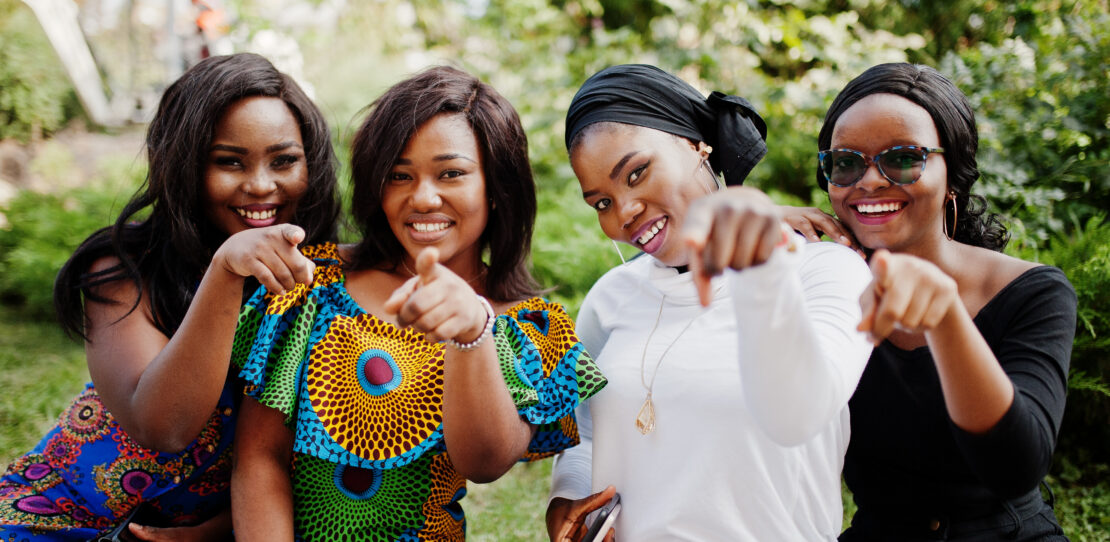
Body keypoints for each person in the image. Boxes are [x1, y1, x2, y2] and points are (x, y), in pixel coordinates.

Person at [230, 65, 605, 541]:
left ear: (497, 188)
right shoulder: (313, 285)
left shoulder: (527, 326)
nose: (423, 197)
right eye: (399, 175)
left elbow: (487, 463)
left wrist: (473, 333)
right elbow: (259, 459)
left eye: (451, 173)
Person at [0, 52, 340, 541]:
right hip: (55, 516)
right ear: (183, 165)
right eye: (229, 162)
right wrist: (225, 269)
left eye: (284, 161)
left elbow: (318, 460)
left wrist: (217, 531)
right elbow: (163, 426)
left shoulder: (323, 282)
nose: (261, 185)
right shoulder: (123, 269)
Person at [546, 64, 874, 541]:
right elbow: (583, 432)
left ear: (697, 145)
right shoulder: (609, 299)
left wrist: (757, 260)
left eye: (637, 173)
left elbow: (804, 408)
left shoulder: (823, 271)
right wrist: (566, 498)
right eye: (601, 202)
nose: (624, 213)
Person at [815, 63, 1075, 541]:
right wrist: (765, 250)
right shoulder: (818, 288)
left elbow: (1017, 467)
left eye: (902, 158)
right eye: (845, 162)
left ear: (952, 173)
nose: (869, 181)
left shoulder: (1033, 292)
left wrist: (946, 317)